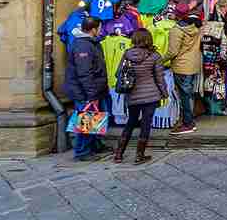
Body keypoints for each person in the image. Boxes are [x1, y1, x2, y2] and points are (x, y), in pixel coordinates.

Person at [113, 29, 168, 164]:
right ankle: (139, 155)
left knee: (131, 122)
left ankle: (119, 154)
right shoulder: (155, 56)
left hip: (132, 95)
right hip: (151, 95)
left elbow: (118, 73)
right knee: (145, 124)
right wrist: (164, 93)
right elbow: (159, 78)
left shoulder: (127, 54)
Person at [64, 16, 110, 161]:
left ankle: (95, 145)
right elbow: (84, 72)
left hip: (95, 89)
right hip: (86, 91)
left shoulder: (92, 43)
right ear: (93, 29)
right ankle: (82, 151)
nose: (101, 30)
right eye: (100, 27)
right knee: (87, 120)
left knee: (95, 118)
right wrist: (91, 95)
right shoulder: (83, 45)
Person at [162, 17, 201, 135]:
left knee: (184, 96)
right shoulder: (195, 28)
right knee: (188, 95)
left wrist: (160, 60)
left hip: (182, 66)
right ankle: (189, 121)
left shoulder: (176, 31)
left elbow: (172, 52)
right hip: (193, 64)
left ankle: (188, 123)